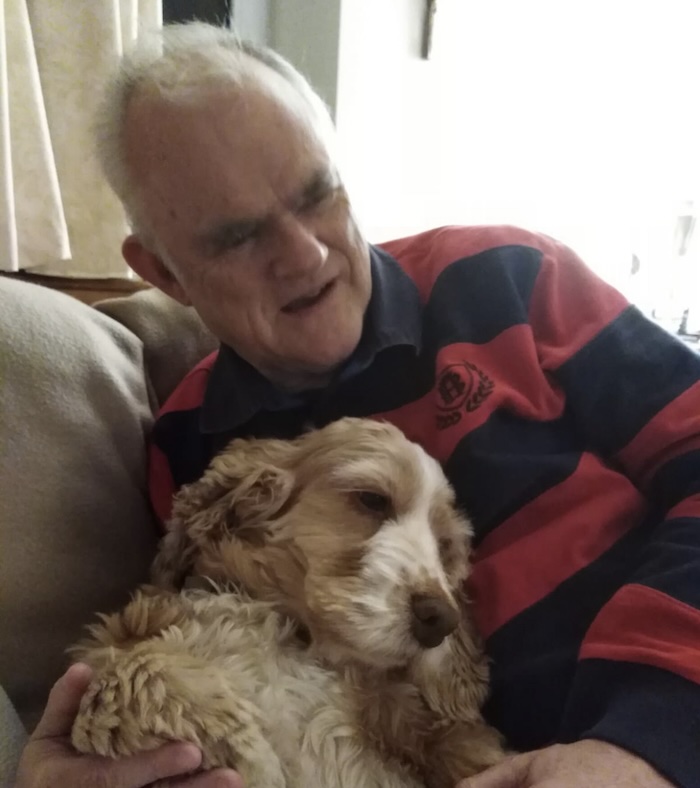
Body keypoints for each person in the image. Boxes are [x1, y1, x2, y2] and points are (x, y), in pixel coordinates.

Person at [15, 21, 699, 788]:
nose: (305, 254)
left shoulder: (509, 277)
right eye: (238, 237)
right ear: (165, 275)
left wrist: (648, 740)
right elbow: (226, 661)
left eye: (319, 196)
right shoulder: (189, 440)